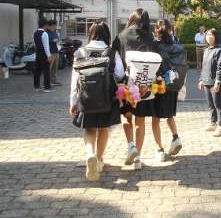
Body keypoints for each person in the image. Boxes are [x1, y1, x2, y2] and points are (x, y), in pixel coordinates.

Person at [69, 22, 124, 181]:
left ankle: (90, 155)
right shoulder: (112, 53)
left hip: (86, 98)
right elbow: (120, 74)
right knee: (104, 129)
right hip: (107, 98)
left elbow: (75, 79)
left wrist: (73, 101)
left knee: (89, 129)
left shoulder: (80, 52)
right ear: (107, 35)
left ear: (90, 34)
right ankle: (99, 161)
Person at [112, 9, 161, 170]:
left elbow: (115, 60)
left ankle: (131, 145)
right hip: (145, 87)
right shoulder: (151, 38)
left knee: (126, 117)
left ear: (131, 18)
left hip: (126, 85)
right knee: (140, 121)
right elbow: (158, 62)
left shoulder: (121, 36)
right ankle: (138, 158)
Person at [152, 20, 185, 158]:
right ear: (170, 30)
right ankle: (175, 137)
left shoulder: (155, 46)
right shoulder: (177, 45)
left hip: (159, 84)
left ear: (157, 31)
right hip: (173, 84)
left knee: (155, 118)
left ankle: (159, 150)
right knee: (169, 115)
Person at [198, 28, 221, 136]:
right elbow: (204, 67)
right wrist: (201, 80)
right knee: (210, 104)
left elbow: (220, 67)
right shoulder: (206, 50)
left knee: (218, 104)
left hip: (214, 82)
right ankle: (213, 123)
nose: (209, 37)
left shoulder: (219, 50)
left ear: (215, 37)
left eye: (211, 35)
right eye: (207, 35)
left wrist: (218, 82)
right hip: (206, 81)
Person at [33, 17, 52, 92]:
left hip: (38, 53)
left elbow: (35, 44)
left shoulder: (35, 33)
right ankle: (47, 87)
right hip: (44, 54)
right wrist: (49, 56)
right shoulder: (44, 33)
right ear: (45, 25)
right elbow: (46, 46)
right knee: (46, 71)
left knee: (37, 70)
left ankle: (36, 86)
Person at [46, 19, 60, 86]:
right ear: (50, 26)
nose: (55, 27)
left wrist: (56, 40)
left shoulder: (54, 32)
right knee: (49, 68)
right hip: (50, 53)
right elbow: (45, 42)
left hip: (56, 51)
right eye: (54, 26)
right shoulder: (46, 33)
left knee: (55, 68)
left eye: (55, 26)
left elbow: (57, 39)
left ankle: (54, 81)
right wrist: (52, 40)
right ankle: (47, 82)